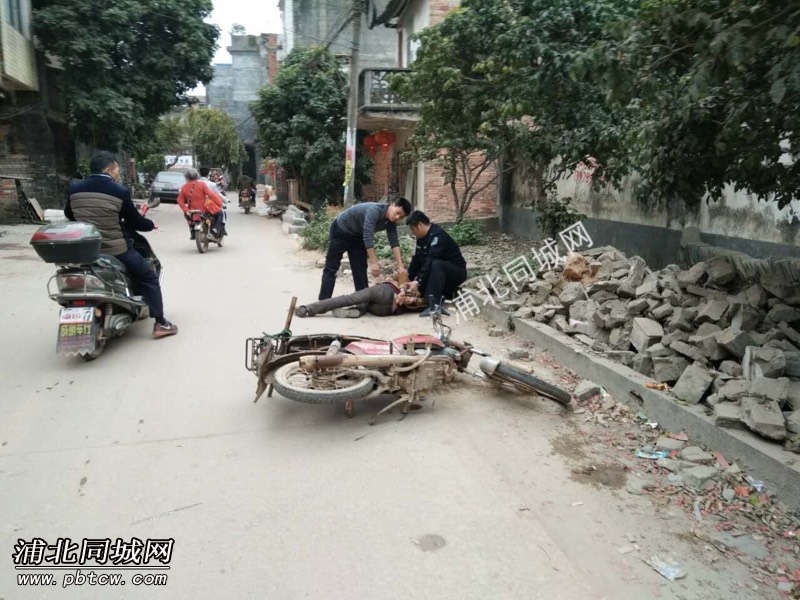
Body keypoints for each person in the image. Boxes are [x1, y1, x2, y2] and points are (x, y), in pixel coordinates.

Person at [64, 151, 178, 338]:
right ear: (108, 169)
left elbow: (70, 214)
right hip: (113, 250)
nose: (118, 174)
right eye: (117, 170)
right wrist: (150, 224)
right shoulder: (119, 191)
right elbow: (135, 222)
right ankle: (161, 323)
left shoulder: (74, 188)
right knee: (149, 277)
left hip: (83, 250)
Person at [319, 198, 412, 301]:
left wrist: (400, 266)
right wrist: (374, 263)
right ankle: (323, 301)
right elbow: (368, 236)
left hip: (357, 236)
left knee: (360, 270)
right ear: (393, 205)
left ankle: (362, 303)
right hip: (341, 230)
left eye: (401, 217)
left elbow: (394, 241)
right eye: (397, 213)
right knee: (331, 268)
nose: (397, 217)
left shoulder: (390, 222)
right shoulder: (375, 210)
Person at [405, 210, 468, 317]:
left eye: (412, 229)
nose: (412, 232)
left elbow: (430, 261)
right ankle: (441, 296)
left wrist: (418, 282)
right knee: (428, 265)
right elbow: (417, 260)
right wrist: (409, 278)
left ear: (419, 225)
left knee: (436, 264)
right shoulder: (421, 239)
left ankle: (433, 305)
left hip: (456, 272)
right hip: (439, 274)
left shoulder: (438, 236)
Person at [296, 274, 427, 318]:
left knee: (356, 301)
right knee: (358, 301)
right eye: (413, 297)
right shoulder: (420, 290)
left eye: (413, 301)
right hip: (385, 302)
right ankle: (358, 311)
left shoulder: (410, 304)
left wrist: (401, 295)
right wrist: (403, 294)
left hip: (385, 302)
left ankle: (308, 309)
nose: (411, 299)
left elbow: (402, 277)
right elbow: (403, 279)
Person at [177, 168, 224, 242]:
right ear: (196, 176)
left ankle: (192, 230)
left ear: (187, 177)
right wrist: (219, 203)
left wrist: (185, 210)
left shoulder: (184, 187)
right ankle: (214, 230)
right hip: (204, 209)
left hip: (191, 211)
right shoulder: (201, 184)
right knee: (220, 213)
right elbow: (211, 195)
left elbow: (179, 200)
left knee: (186, 215)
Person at [199, 167, 228, 235]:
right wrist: (226, 200)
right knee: (221, 213)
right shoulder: (211, 184)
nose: (215, 174)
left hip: (197, 206)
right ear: (209, 174)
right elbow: (217, 194)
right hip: (208, 204)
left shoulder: (195, 183)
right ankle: (216, 228)